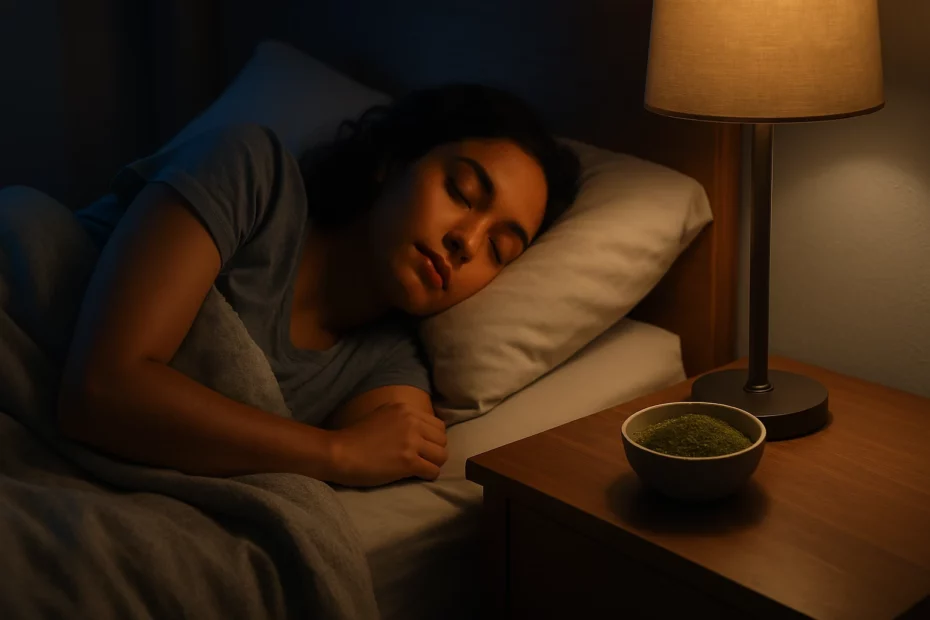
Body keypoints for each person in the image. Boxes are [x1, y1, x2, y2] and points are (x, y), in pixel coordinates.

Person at [58, 84, 580, 487]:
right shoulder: (250, 174)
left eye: (499, 249)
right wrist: (336, 453)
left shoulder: (386, 363)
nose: (467, 242)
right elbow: (102, 389)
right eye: (462, 191)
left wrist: (369, 450)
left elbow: (400, 451)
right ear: (392, 163)